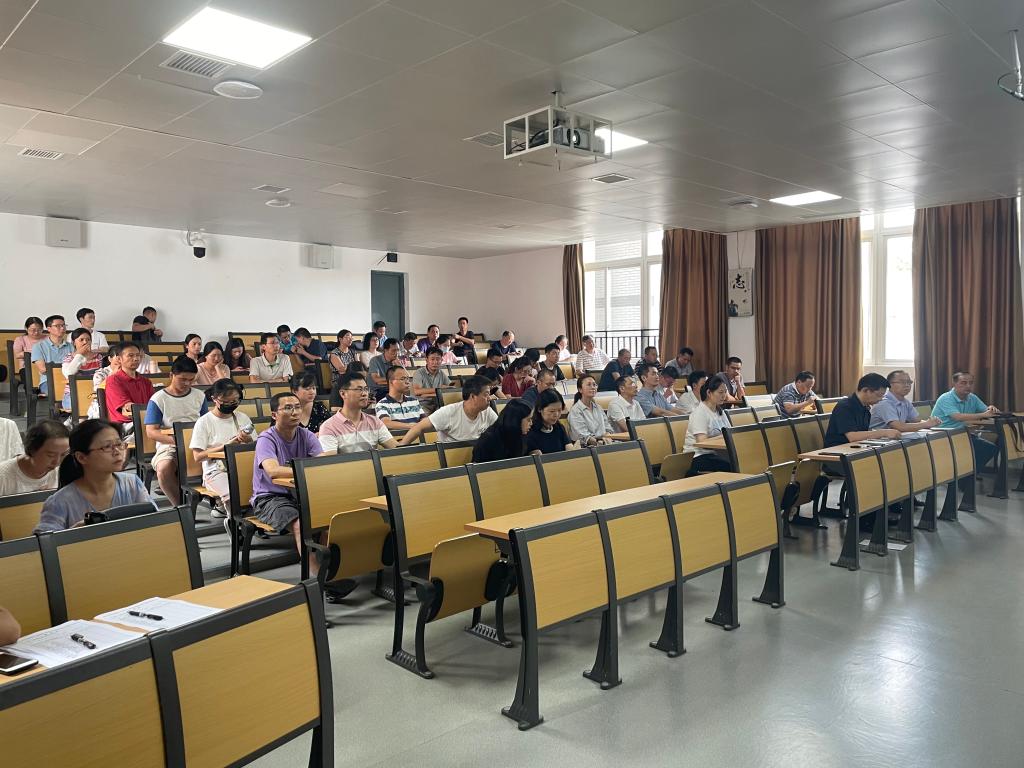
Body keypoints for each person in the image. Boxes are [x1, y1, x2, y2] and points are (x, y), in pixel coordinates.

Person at [35, 419, 153, 533]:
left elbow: (154, 522)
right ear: (82, 457)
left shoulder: (132, 483)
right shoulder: (59, 501)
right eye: (107, 447)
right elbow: (44, 541)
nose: (117, 451)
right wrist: (74, 532)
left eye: (119, 444)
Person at [251, 393, 324, 564]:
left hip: (300, 493)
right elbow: (273, 471)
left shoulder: (306, 435)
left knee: (329, 515)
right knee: (300, 524)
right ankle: (314, 573)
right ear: (274, 414)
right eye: (288, 408)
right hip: (269, 498)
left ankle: (327, 564)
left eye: (298, 407)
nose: (295, 412)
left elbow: (321, 464)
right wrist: (305, 469)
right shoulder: (267, 438)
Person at [145, 357, 206, 502]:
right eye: (183, 379)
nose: (187, 383)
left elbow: (206, 422)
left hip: (198, 441)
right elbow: (151, 431)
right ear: (171, 375)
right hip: (170, 443)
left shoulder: (199, 395)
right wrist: (177, 442)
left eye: (191, 380)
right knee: (164, 469)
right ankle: (179, 506)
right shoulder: (158, 399)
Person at [189, 378, 254, 515]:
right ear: (214, 399)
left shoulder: (242, 417)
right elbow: (198, 457)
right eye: (226, 402)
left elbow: (257, 446)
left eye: (235, 401)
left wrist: (248, 440)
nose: (231, 405)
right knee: (233, 494)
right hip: (216, 470)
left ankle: (225, 509)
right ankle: (234, 522)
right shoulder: (204, 422)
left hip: (243, 466)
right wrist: (225, 446)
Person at [931, 371, 1001, 469]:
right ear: (954, 383)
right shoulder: (946, 398)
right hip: (943, 435)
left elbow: (986, 411)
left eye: (971, 383)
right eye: (963, 383)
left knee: (990, 448)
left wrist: (991, 408)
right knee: (981, 449)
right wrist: (984, 414)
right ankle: (965, 473)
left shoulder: (972, 397)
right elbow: (958, 417)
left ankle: (969, 473)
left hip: (961, 434)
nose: (968, 386)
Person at [398, 375, 497, 444]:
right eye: (486, 394)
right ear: (472, 396)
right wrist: (400, 448)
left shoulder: (487, 411)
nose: (490, 398)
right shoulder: (449, 412)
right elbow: (419, 427)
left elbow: (501, 430)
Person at [319, 373, 398, 453]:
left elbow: (396, 450)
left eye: (366, 389)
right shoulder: (329, 427)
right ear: (343, 394)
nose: (364, 394)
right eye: (359, 389)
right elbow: (331, 458)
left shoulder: (375, 422)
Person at [823, 373, 902, 448]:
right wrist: (884, 432)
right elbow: (853, 437)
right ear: (865, 390)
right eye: (878, 395)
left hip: (854, 448)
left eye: (882, 396)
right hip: (837, 451)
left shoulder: (865, 408)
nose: (881, 399)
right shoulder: (844, 406)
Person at [0, 419, 69, 495]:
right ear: (32, 450)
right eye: (51, 455)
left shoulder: (63, 472)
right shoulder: (3, 476)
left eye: (63, 455)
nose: (57, 462)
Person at [684, 375, 733, 475]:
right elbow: (702, 442)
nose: (724, 395)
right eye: (720, 392)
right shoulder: (699, 413)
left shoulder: (720, 411)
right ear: (709, 393)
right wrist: (723, 436)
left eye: (725, 392)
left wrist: (725, 436)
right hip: (698, 457)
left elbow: (730, 433)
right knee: (732, 466)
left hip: (715, 454)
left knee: (740, 461)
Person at [870, 371, 941, 434]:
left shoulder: (905, 402)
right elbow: (899, 427)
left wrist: (932, 423)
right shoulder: (884, 403)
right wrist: (926, 424)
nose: (907, 385)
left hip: (893, 439)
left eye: (909, 382)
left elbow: (917, 421)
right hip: (875, 441)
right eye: (902, 382)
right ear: (889, 384)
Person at [105, 342, 155, 429]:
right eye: (130, 355)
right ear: (119, 359)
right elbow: (127, 407)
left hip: (145, 421)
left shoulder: (146, 382)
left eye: (138, 355)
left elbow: (154, 404)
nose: (136, 359)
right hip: (125, 426)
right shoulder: (113, 380)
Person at [60, 328, 103, 410]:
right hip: (72, 394)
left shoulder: (98, 357)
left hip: (93, 393)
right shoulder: (69, 357)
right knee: (83, 406)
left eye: (88, 340)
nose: (85, 342)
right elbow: (69, 374)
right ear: (74, 343)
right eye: (81, 340)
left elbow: (101, 376)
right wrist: (79, 355)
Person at [31, 315, 72, 396]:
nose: (62, 328)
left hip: (68, 380)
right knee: (63, 392)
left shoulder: (71, 346)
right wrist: (66, 369)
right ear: (49, 329)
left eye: (63, 325)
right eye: (58, 326)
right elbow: (43, 369)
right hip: (48, 381)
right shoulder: (38, 346)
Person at [375, 366, 425, 430]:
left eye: (407, 378)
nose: (407, 382)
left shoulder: (414, 401)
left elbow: (424, 420)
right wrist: (412, 426)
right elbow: (386, 423)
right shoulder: (382, 404)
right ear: (391, 382)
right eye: (402, 379)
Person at [568, 374, 610, 446]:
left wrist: (608, 437)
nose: (593, 387)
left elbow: (608, 427)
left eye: (594, 385)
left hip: (605, 443)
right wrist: (600, 443)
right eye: (589, 385)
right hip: (588, 447)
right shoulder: (575, 411)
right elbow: (583, 436)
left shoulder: (598, 407)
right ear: (580, 389)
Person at [526, 389, 573, 454]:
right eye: (552, 411)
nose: (556, 414)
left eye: (559, 410)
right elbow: (538, 457)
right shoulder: (530, 431)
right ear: (539, 409)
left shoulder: (559, 427)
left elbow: (570, 449)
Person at [412, 347, 451, 412]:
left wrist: (430, 394)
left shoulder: (441, 373)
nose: (435, 362)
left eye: (438, 359)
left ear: (441, 360)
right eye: (432, 359)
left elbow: (449, 388)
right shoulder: (419, 372)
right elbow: (417, 391)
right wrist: (439, 390)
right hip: (422, 404)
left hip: (438, 403)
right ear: (427, 360)